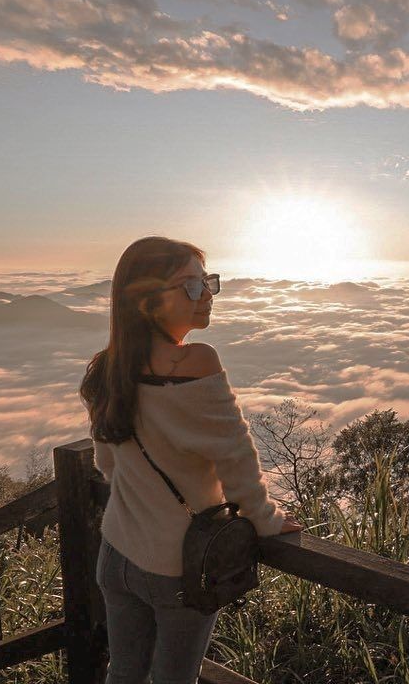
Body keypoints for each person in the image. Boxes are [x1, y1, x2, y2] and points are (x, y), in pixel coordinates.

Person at [79, 236, 303, 684]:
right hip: (178, 567)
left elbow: (108, 464)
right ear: (148, 303)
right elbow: (236, 462)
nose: (207, 296)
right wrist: (267, 521)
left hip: (116, 554)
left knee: (124, 671)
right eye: (192, 286)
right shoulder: (197, 361)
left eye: (208, 283)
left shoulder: (107, 367)